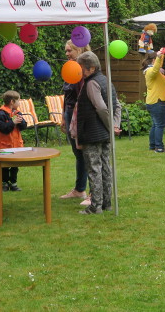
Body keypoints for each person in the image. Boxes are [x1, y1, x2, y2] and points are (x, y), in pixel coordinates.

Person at [74, 51, 121, 215]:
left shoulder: (92, 83)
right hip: (104, 133)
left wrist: (110, 125)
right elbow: (117, 105)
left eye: (81, 67)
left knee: (95, 169)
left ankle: (95, 207)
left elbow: (101, 107)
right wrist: (114, 125)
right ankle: (106, 203)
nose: (79, 71)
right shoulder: (105, 80)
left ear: (91, 68)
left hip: (93, 132)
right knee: (105, 168)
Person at [59, 40, 92, 204]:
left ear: (79, 50)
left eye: (69, 51)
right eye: (65, 51)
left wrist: (77, 118)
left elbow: (82, 97)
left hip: (78, 114)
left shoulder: (82, 71)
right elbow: (67, 95)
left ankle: (90, 191)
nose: (67, 54)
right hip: (69, 112)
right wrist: (63, 116)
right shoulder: (69, 69)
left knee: (85, 153)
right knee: (78, 154)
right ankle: (79, 189)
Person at [0, 90, 28, 192]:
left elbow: (23, 127)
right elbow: (3, 129)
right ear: (12, 102)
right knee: (4, 166)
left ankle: (13, 183)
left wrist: (20, 121)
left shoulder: (18, 113)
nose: (20, 103)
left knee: (15, 165)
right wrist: (12, 122)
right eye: (18, 100)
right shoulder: (1, 114)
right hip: (5, 146)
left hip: (16, 145)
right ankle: (4, 184)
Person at [143, 49, 165, 153]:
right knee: (160, 125)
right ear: (154, 60)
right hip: (157, 102)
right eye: (157, 59)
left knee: (156, 124)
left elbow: (158, 66)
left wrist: (162, 54)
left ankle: (153, 146)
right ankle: (159, 147)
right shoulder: (151, 71)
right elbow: (156, 69)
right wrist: (159, 57)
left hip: (155, 102)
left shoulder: (153, 70)